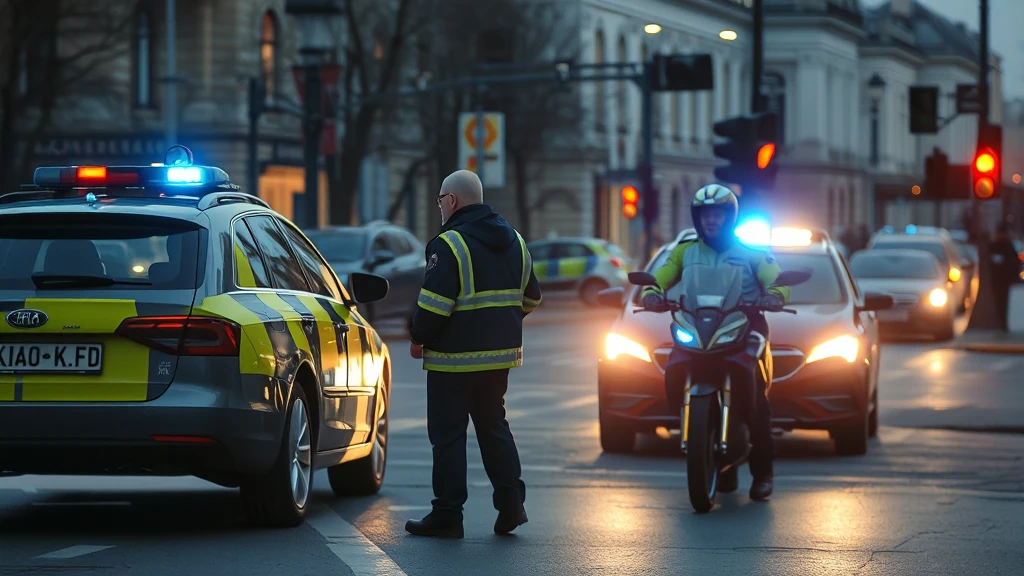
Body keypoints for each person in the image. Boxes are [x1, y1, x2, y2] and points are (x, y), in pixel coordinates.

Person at [405, 170, 543, 538]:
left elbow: (433, 308)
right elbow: (531, 298)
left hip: (453, 360)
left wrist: (418, 335)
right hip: (499, 358)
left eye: (439, 200)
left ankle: (448, 514)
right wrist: (498, 324)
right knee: (494, 427)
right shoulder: (515, 240)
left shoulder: (448, 245)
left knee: (449, 436)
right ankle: (512, 504)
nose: (439, 207)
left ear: (451, 201)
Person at [639, 184, 790, 500]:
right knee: (674, 365)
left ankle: (763, 472)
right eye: (706, 214)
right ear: (697, 217)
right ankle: (704, 440)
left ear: (729, 217)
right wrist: (652, 293)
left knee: (756, 401)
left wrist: (775, 295)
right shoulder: (685, 251)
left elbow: (775, 279)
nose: (711, 220)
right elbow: (662, 276)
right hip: (699, 325)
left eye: (718, 214)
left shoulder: (751, 251)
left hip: (745, 326)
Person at [989, 224, 1019, 331]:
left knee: (1005, 302)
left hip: (1006, 279)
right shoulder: (994, 246)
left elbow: (1015, 262)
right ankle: (1001, 323)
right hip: (997, 279)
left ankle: (1004, 324)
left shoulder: (1008, 246)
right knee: (999, 302)